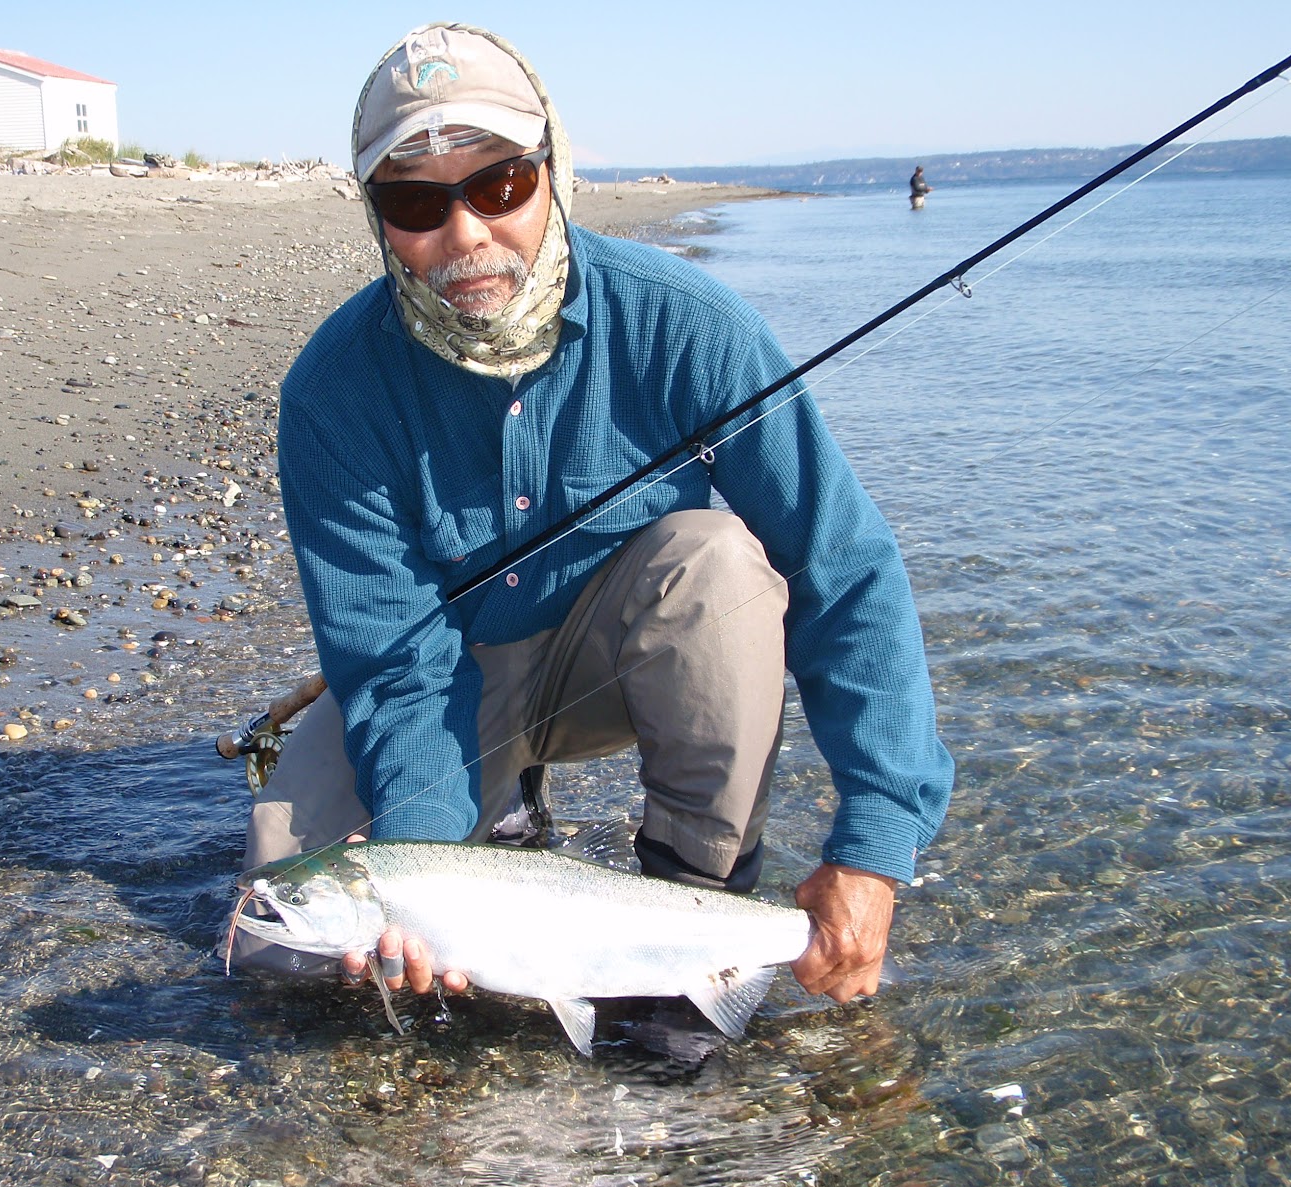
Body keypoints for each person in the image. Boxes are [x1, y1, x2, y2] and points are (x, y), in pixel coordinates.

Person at [232, 23, 953, 1006]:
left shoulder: (690, 326)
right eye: (413, 201)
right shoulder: (333, 394)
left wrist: (875, 843)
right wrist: (433, 868)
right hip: (452, 682)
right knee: (285, 943)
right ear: (376, 217)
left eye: (498, 185)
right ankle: (498, 828)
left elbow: (844, 568)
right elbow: (397, 662)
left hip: (626, 665)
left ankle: (700, 919)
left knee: (720, 561)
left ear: (552, 170)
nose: (464, 234)